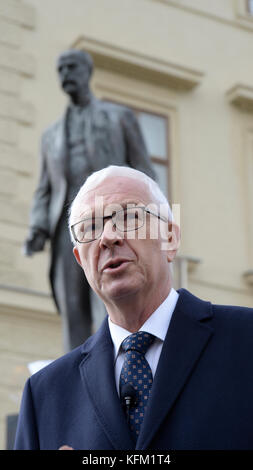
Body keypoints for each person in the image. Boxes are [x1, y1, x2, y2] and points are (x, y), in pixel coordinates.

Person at [15, 165, 253, 450]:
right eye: (90, 227)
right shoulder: (45, 394)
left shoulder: (245, 341)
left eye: (128, 217)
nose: (108, 237)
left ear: (170, 237)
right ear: (80, 259)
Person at [23, 49, 155, 352]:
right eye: (60, 69)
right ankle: (78, 372)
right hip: (67, 231)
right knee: (72, 307)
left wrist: (150, 217)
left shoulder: (118, 117)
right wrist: (37, 227)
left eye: (71, 67)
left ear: (87, 72)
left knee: (112, 295)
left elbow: (144, 170)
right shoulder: (51, 135)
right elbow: (45, 187)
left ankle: (116, 360)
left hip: (112, 221)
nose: (65, 74)